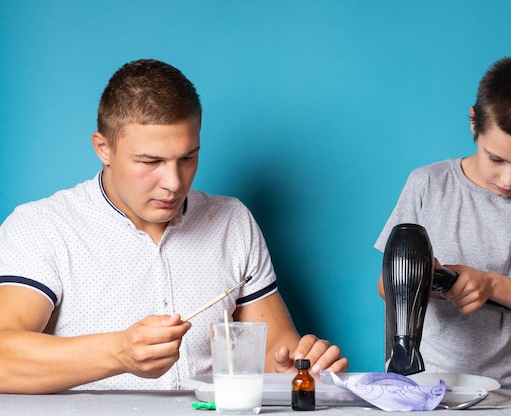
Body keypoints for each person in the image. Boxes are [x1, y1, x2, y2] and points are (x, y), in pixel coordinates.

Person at [0, 59, 348, 394]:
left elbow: (276, 348)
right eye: (150, 161)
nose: (173, 182)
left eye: (187, 157)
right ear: (103, 148)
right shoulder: (41, 227)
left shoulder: (232, 221)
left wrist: (298, 365)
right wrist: (118, 352)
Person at [374, 56, 511, 389]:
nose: (509, 179)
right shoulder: (427, 184)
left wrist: (491, 285)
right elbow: (385, 286)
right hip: (424, 385)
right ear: (474, 123)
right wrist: (429, 280)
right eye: (496, 159)